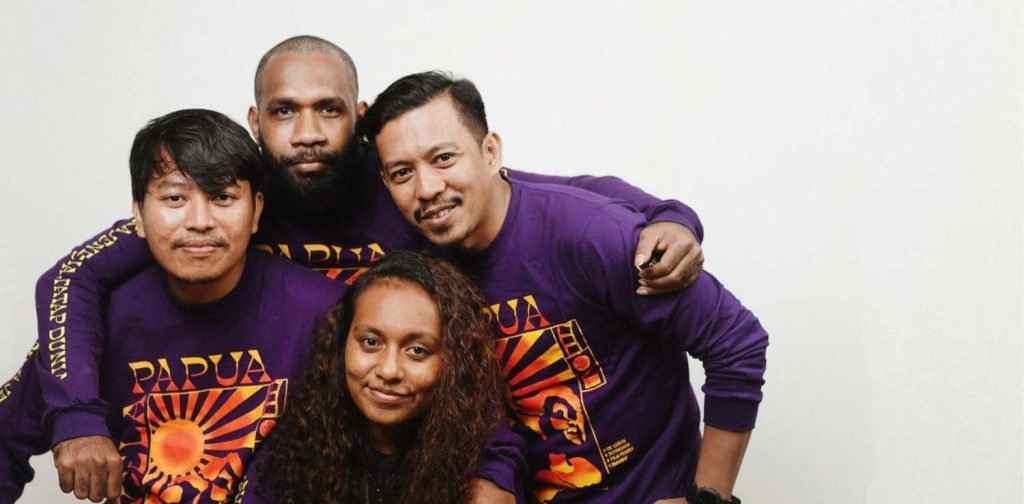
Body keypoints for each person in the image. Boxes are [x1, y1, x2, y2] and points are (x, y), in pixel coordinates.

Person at [25, 35, 707, 500]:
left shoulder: (406, 185)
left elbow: (524, 190)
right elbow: (70, 277)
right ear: (256, 121)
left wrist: (670, 215)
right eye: (286, 112)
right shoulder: (221, 204)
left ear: (361, 114)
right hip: (302, 448)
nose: (310, 132)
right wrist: (78, 417)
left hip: (437, 438)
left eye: (328, 110)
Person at [361, 71, 770, 503]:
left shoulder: (586, 234)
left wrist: (706, 498)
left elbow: (736, 342)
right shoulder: (417, 267)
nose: (427, 188)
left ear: (489, 151)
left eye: (444, 158)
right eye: (403, 172)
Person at [0, 109, 344, 502]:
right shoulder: (94, 323)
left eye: (223, 197)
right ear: (139, 216)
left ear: (257, 211)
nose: (199, 221)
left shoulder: (323, 310)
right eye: (175, 198)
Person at [233, 251, 509, 503]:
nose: (389, 371)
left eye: (417, 350)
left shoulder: (480, 462)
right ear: (341, 345)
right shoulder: (293, 450)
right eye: (370, 342)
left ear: (452, 363)